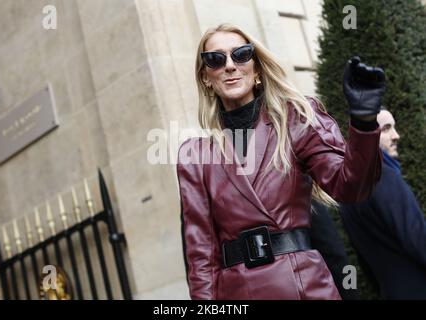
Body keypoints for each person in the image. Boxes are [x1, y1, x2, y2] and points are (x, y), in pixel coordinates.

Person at [177, 23, 385, 300]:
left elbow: (350, 186)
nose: (229, 65)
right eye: (215, 59)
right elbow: (200, 255)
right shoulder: (194, 156)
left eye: (241, 54)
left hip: (305, 287)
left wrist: (363, 122)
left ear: (257, 68)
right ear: (205, 77)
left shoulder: (296, 120)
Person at [340, 108, 426, 299]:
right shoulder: (383, 177)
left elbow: (364, 261)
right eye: (386, 129)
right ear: (366, 137)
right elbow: (417, 238)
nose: (397, 136)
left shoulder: (347, 191)